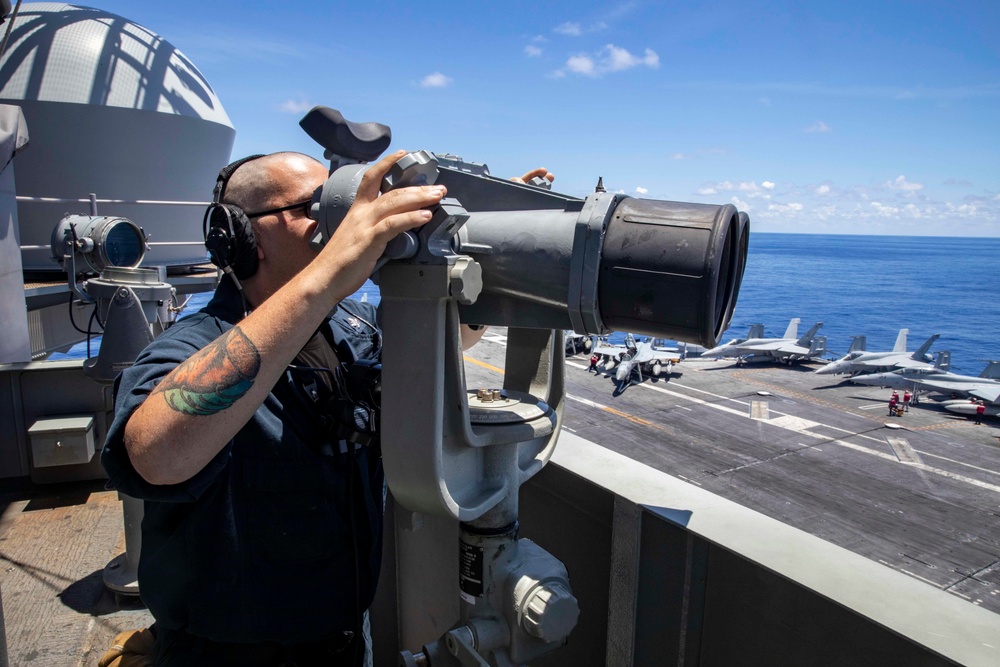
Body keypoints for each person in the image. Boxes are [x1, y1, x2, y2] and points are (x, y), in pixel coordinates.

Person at [100, 150, 553, 666]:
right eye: (317, 206)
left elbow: (451, 337)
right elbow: (154, 455)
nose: (340, 220)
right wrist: (329, 275)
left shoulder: (351, 331)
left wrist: (484, 245)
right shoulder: (194, 344)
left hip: (343, 640)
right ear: (241, 234)